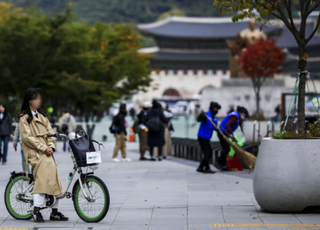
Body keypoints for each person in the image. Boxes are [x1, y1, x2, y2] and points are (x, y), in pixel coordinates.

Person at [18, 88, 68, 222]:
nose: (39, 101)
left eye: (40, 98)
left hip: (45, 151)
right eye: (36, 98)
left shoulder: (42, 117)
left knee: (55, 176)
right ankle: (36, 210)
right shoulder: (24, 118)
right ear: (29, 101)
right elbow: (27, 138)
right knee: (45, 174)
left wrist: (51, 146)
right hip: (34, 152)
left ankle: (54, 211)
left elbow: (51, 133)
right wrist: (43, 147)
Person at [218, 106, 249, 171]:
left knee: (227, 149)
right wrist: (230, 134)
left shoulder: (236, 117)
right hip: (222, 132)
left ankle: (222, 165)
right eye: (243, 115)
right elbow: (228, 125)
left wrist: (232, 137)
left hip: (225, 132)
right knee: (226, 148)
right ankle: (219, 163)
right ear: (241, 113)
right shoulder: (235, 117)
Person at [196, 102, 221, 174]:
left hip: (207, 138)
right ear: (213, 108)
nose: (217, 111)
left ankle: (200, 167)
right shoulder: (206, 115)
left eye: (218, 110)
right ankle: (206, 168)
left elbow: (215, 128)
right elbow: (198, 119)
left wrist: (220, 132)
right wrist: (201, 116)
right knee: (207, 153)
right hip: (202, 137)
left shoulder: (214, 118)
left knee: (209, 153)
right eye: (216, 109)